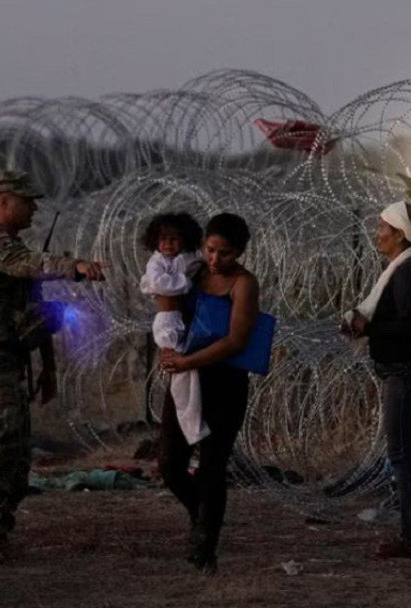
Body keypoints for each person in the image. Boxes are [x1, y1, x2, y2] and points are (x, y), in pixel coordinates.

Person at [0, 169, 105, 563]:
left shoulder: (10, 248)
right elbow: (31, 264)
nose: (35, 208)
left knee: (16, 452)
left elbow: (31, 313)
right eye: (27, 200)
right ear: (2, 203)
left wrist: (47, 366)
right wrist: (76, 266)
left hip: (4, 362)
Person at [158, 212, 260, 574]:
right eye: (211, 249)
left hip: (224, 383)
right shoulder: (194, 273)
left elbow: (236, 340)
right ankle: (199, 514)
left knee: (212, 467)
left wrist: (189, 361)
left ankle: (206, 546)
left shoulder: (244, 284)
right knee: (169, 463)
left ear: (241, 252)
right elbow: (167, 310)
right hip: (187, 380)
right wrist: (168, 349)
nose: (216, 259)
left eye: (227, 253)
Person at [342, 201, 411, 559]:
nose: (377, 233)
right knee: (409, 452)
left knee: (405, 454)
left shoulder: (409, 271)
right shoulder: (407, 267)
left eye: (383, 227)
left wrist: (367, 327)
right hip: (409, 368)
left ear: (400, 235)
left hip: (409, 369)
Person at [140, 211, 207, 444]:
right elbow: (160, 285)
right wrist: (185, 283)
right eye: (163, 238)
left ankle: (193, 424)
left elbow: (201, 264)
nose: (168, 244)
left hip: (184, 320)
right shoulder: (157, 262)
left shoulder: (189, 258)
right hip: (167, 322)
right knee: (181, 370)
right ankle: (193, 428)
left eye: (174, 238)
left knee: (186, 371)